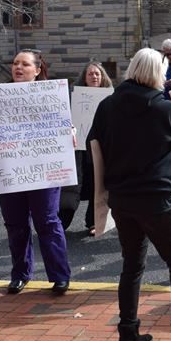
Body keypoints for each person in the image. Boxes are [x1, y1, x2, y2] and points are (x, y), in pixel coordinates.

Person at [88, 47, 171, 341]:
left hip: (122, 198)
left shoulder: (107, 106)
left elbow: (94, 142)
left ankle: (128, 334)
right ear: (156, 74)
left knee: (132, 265)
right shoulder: (166, 110)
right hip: (157, 197)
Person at [0, 49, 71, 295]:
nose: (18, 67)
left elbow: (66, 125)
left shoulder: (52, 95)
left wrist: (70, 133)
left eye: (24, 64)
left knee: (47, 222)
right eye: (15, 63)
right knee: (15, 224)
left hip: (44, 171)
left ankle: (59, 276)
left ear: (37, 70)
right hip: (9, 170)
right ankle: (20, 274)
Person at [59, 62, 113, 235]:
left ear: (103, 76)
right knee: (73, 187)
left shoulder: (111, 98)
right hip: (79, 150)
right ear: (84, 78)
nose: (94, 77)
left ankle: (94, 222)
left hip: (100, 149)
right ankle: (61, 223)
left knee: (98, 185)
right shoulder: (73, 97)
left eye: (97, 74)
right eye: (90, 74)